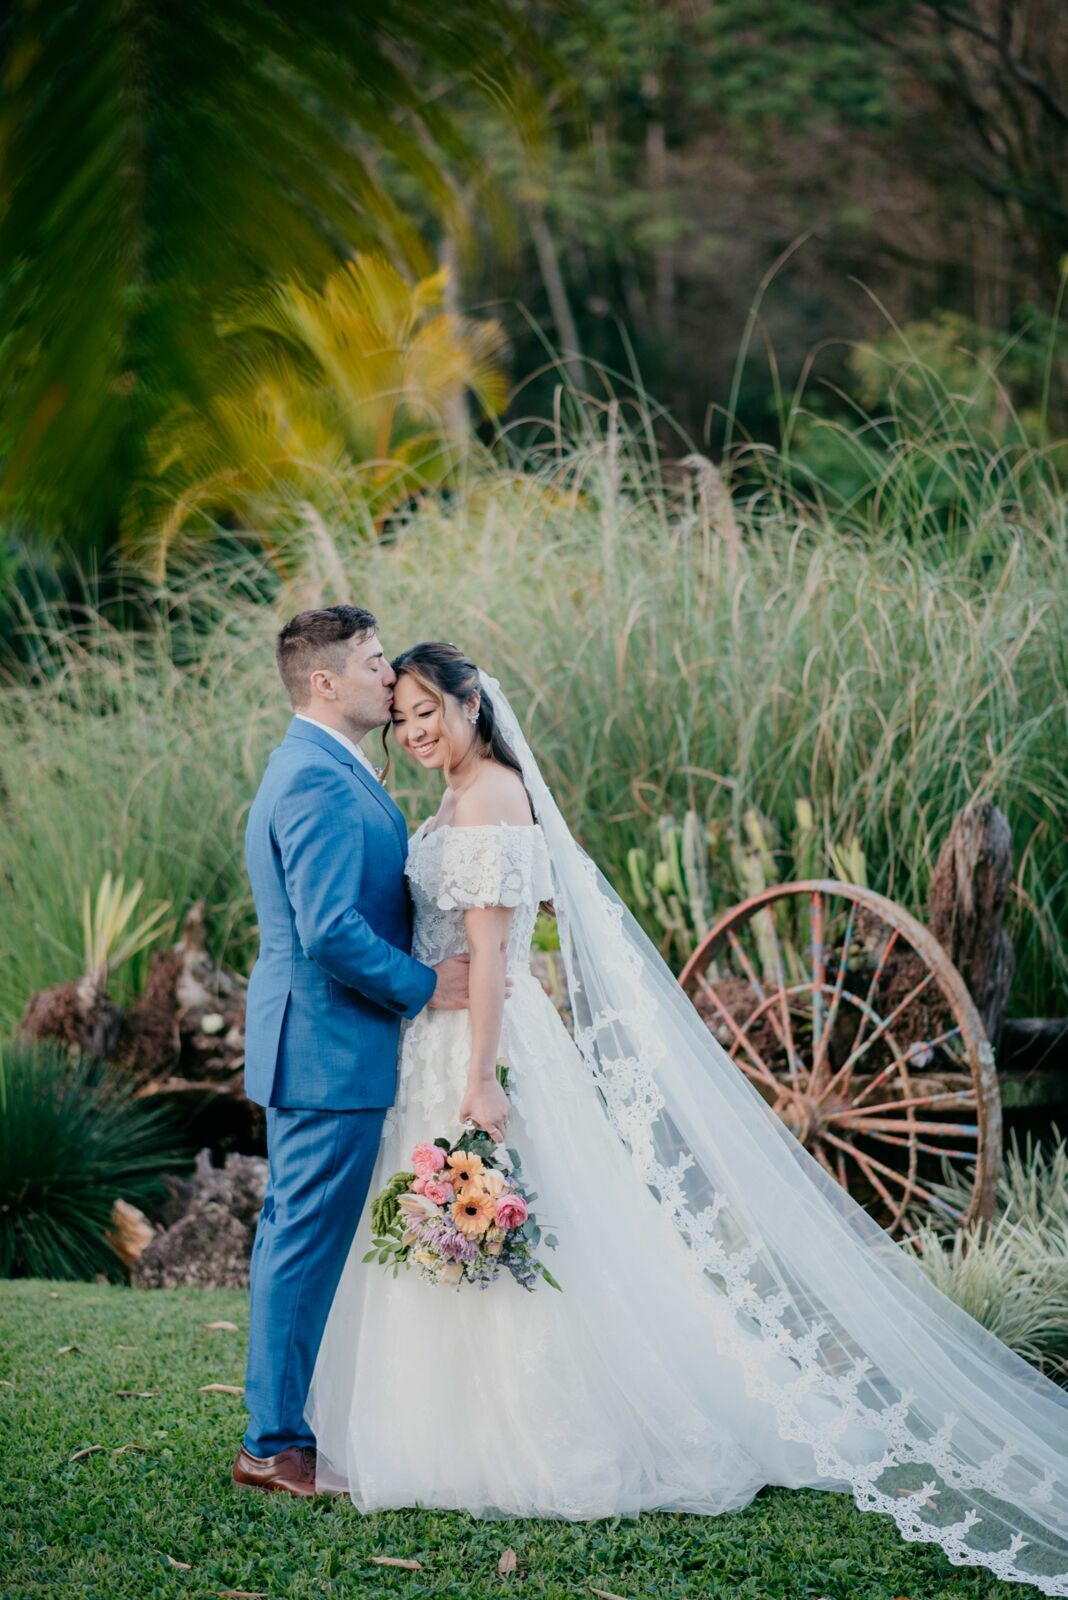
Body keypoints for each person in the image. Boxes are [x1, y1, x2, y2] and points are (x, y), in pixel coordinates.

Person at [306, 641, 1068, 1596]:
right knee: (455, 1238)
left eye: (431, 712)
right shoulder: (456, 794)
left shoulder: (493, 794)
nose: (417, 730)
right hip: (438, 1039)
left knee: (514, 1235)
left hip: (479, 1047)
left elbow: (499, 961)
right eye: (405, 715)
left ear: (471, 703)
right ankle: (434, 1424)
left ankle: (534, 1437)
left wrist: (484, 1079)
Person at [233, 607, 473, 1498]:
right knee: (298, 1244)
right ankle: (273, 1445)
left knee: (298, 1239)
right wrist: (425, 985)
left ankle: (285, 1430)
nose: (389, 676)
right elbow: (329, 930)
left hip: (333, 1047)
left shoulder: (328, 767)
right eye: (375, 663)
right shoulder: (316, 780)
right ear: (326, 683)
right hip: (328, 1050)